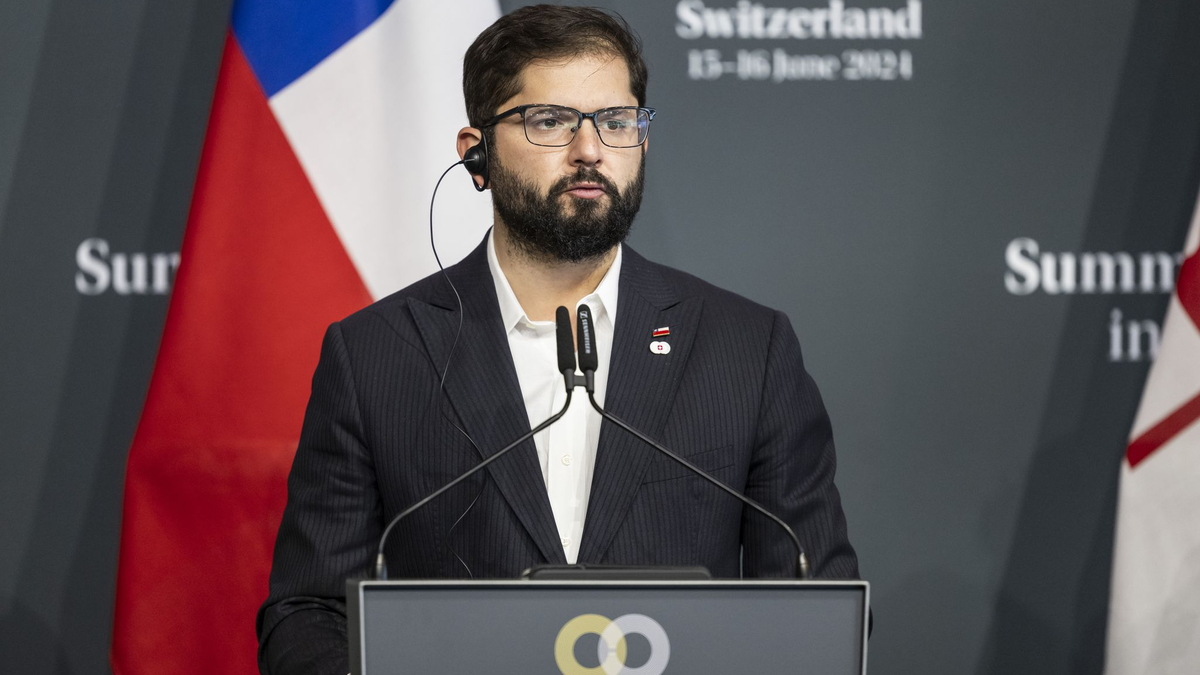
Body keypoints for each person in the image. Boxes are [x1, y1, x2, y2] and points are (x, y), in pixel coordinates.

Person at [256, 5, 859, 674]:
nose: (590, 149)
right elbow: (309, 613)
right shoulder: (376, 356)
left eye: (616, 120)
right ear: (475, 154)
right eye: (550, 121)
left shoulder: (748, 350)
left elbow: (814, 605)